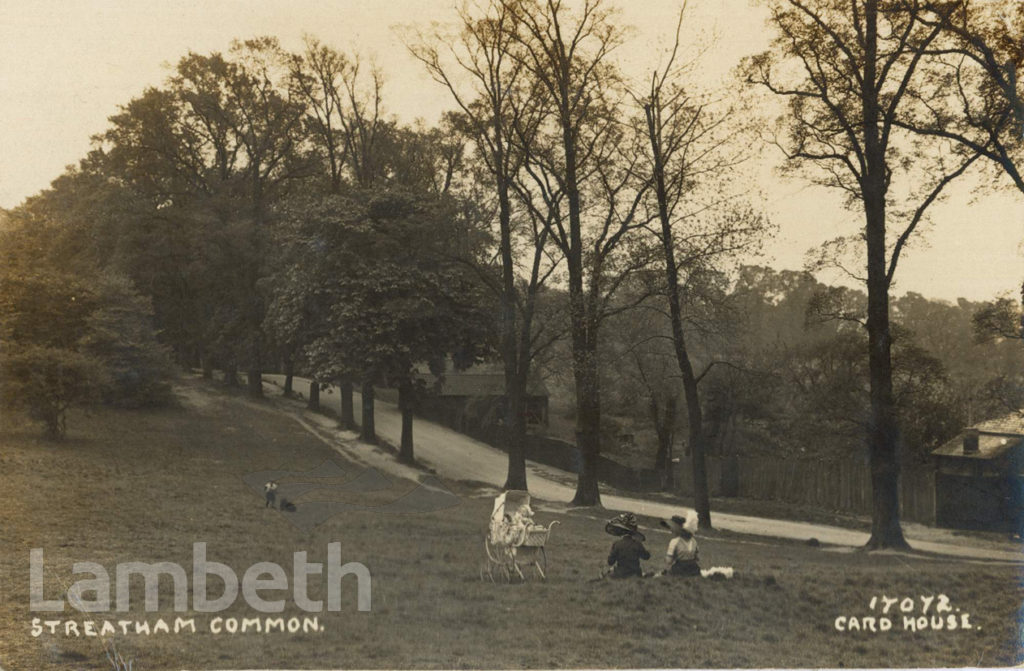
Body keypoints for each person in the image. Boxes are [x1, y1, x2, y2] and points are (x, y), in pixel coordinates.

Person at [604, 513, 650, 578]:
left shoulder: (617, 544)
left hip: (620, 574)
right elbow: (646, 557)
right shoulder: (637, 544)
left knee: (608, 573)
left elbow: (610, 562)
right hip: (636, 574)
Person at [660, 512, 700, 577]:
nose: (670, 529)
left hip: (680, 569)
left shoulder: (674, 542)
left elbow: (669, 561)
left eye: (671, 527)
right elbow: (697, 558)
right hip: (694, 569)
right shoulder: (694, 541)